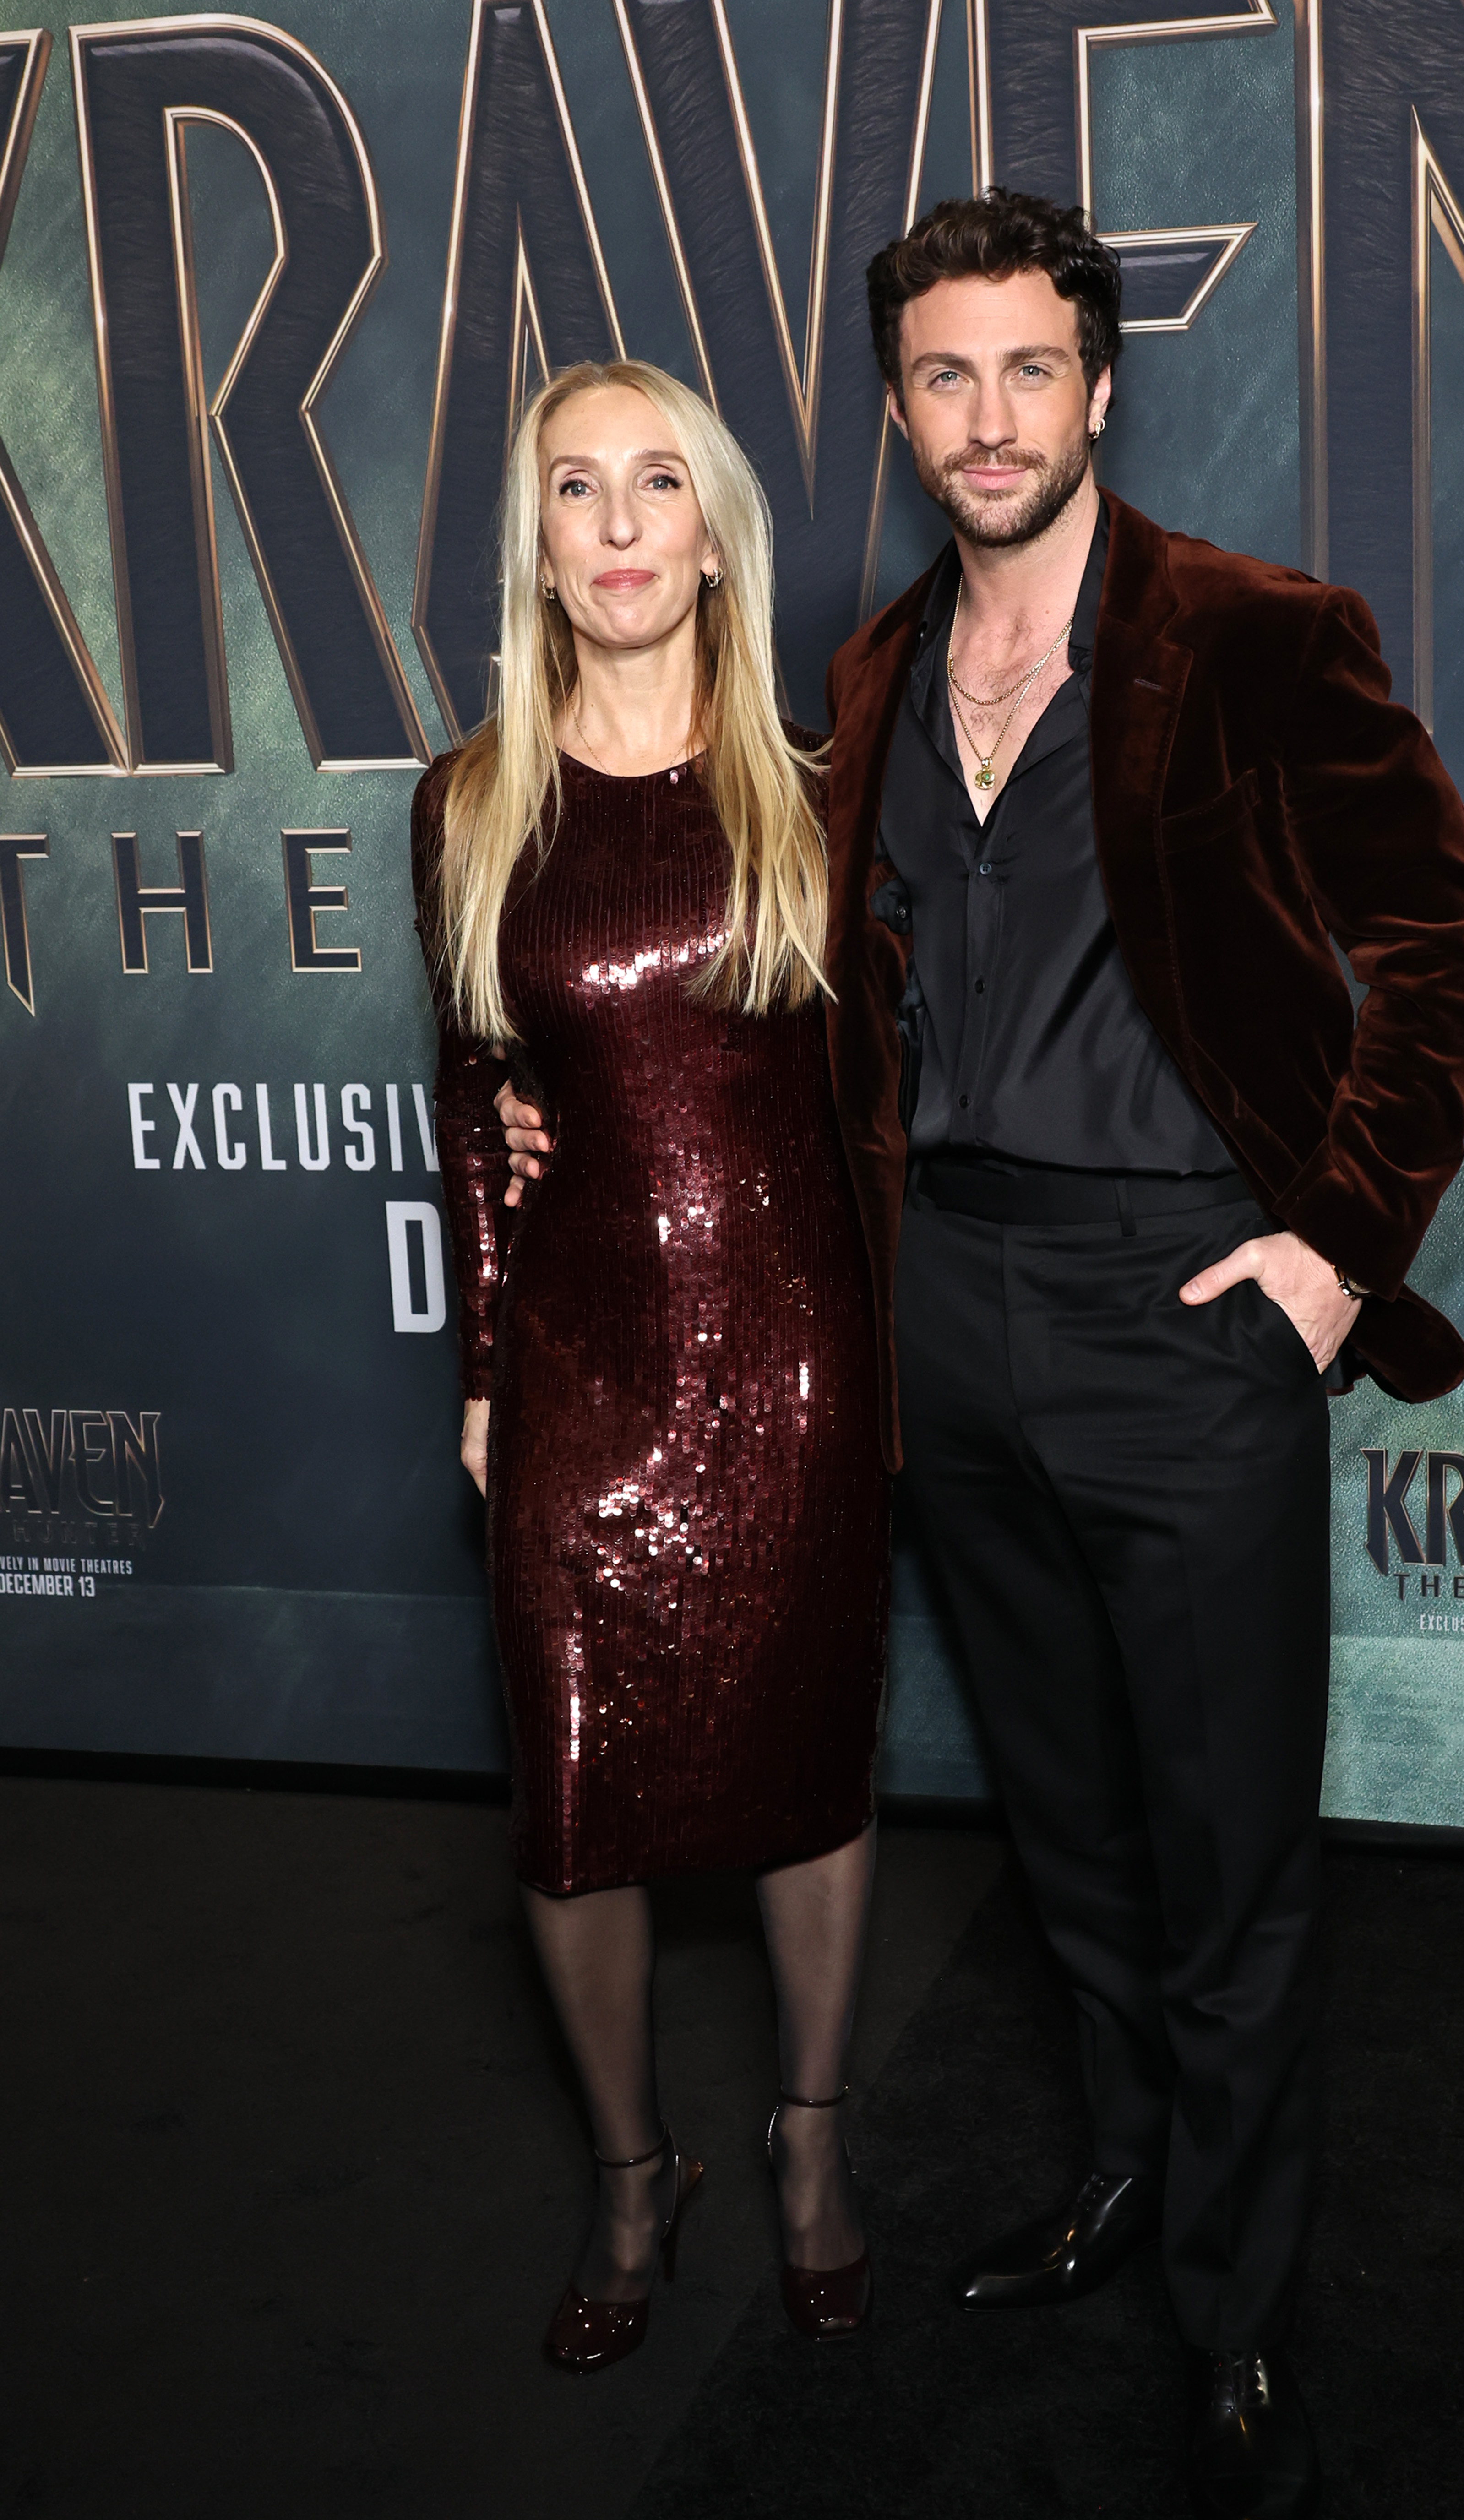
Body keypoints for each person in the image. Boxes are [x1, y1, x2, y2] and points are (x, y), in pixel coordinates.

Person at [498, 193, 1464, 2520]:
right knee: (1070, 1834)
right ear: (896, 408)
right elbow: (772, 1008)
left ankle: (1240, 2323)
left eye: (1028, 372)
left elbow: (1443, 934)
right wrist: (541, 1098)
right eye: (942, 379)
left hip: (1190, 1317)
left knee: (1231, 1863)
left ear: (1101, 388)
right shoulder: (853, 687)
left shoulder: (1258, 641)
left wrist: (1340, 1252)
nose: (986, 419)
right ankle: (1134, 2176)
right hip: (944, 1318)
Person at [412, 357, 889, 2372]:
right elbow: (473, 1104)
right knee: (574, 1800)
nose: (616, 526)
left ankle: (804, 2143)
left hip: (792, 1369)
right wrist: (490, 1371)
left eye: (655, 485)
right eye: (575, 490)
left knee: (804, 1781)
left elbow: (891, 1094)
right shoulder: (467, 801)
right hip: (579, 1381)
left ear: (712, 533)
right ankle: (631, 2170)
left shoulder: (813, 774)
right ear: (535, 539)